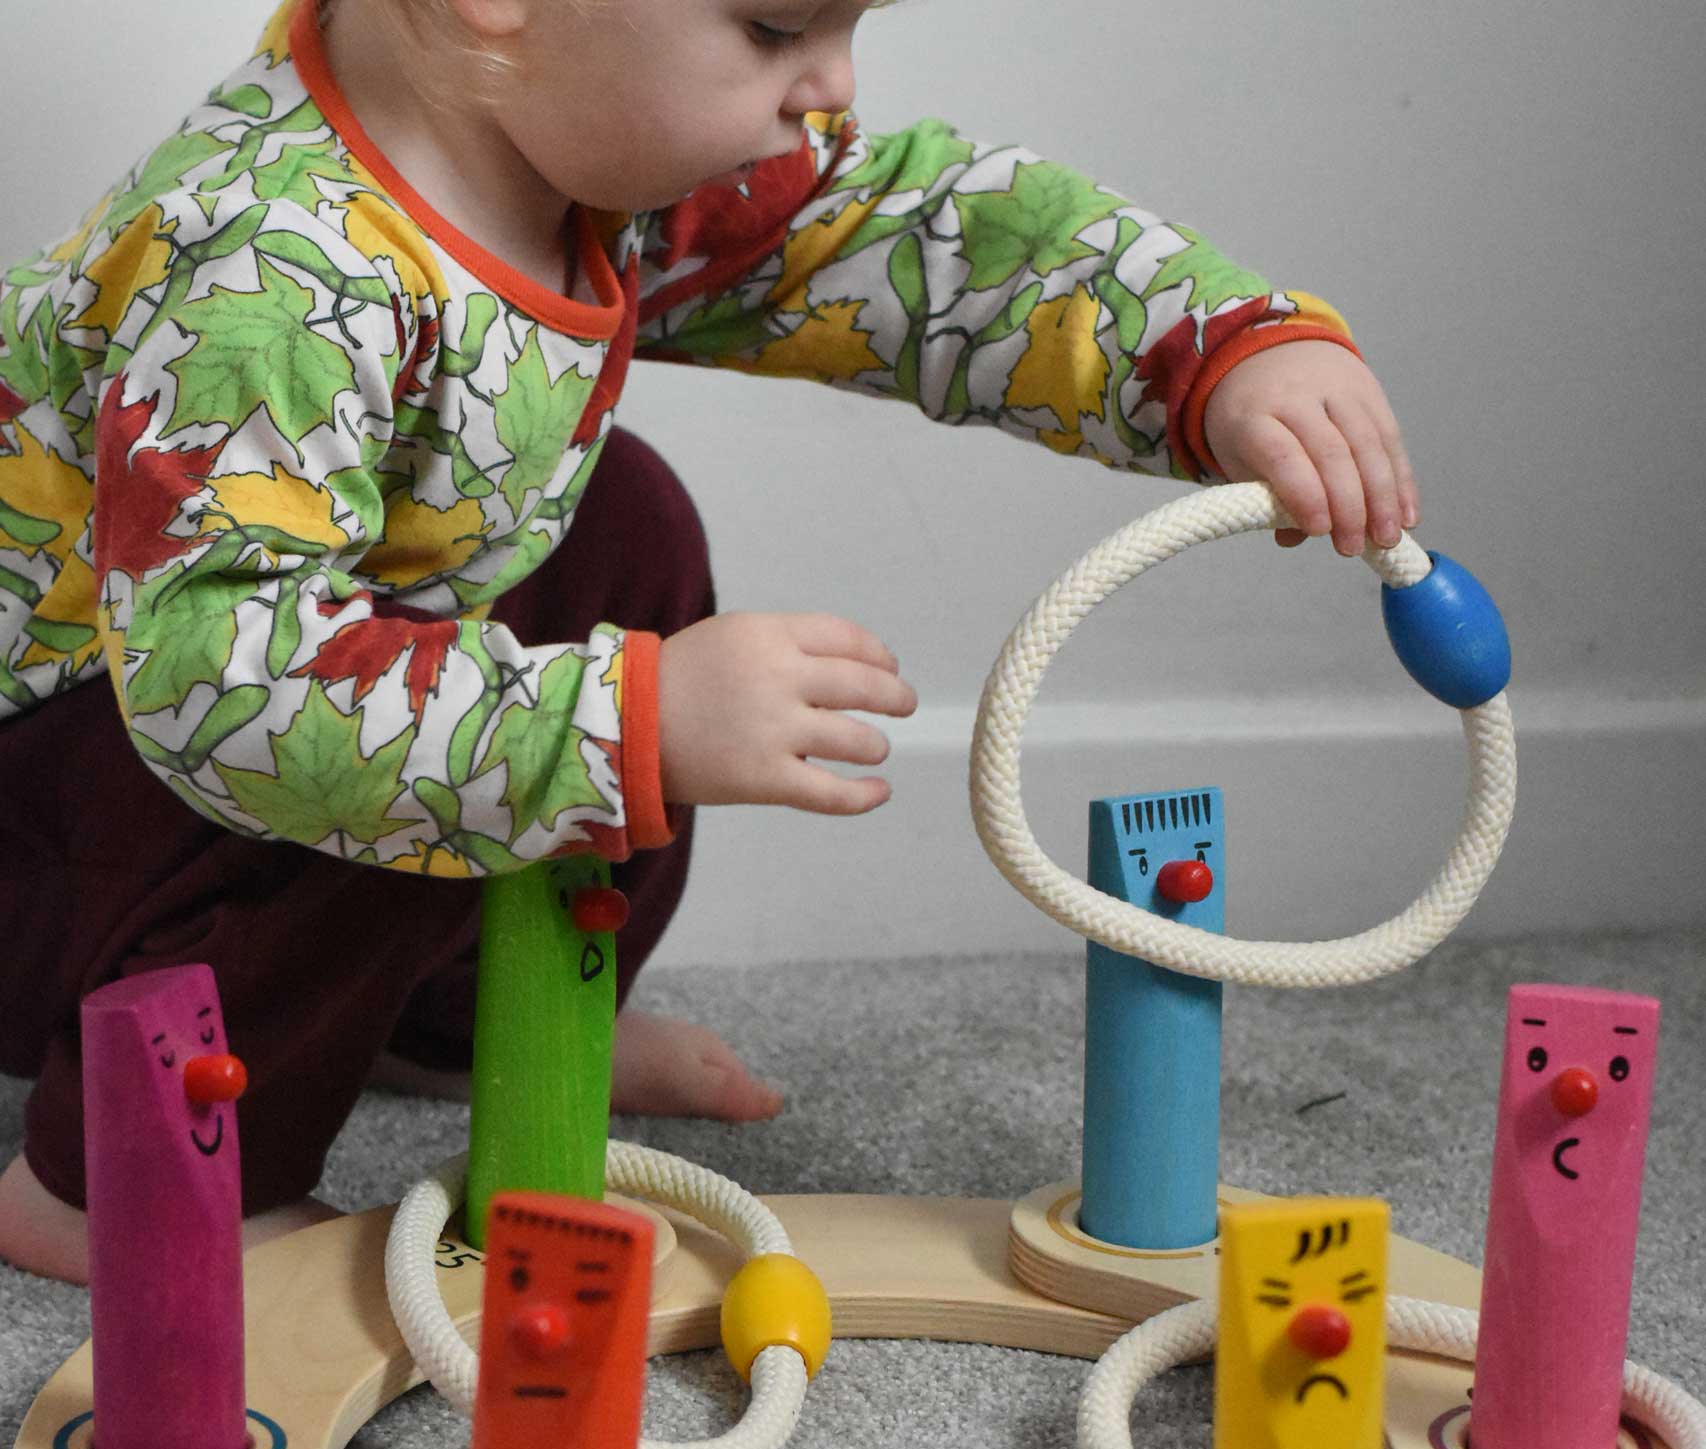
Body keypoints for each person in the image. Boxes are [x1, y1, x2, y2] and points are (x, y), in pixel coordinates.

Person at [0, 0, 1418, 1282]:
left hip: (189, 727)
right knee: (413, 684)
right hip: (64, 794)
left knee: (617, 521)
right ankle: (118, 1182)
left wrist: (1217, 349)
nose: (830, 86)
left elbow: (900, 231)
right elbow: (223, 689)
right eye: (771, 28)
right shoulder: (269, 266)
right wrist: (628, 725)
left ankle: (448, 1011)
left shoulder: (551, 150)